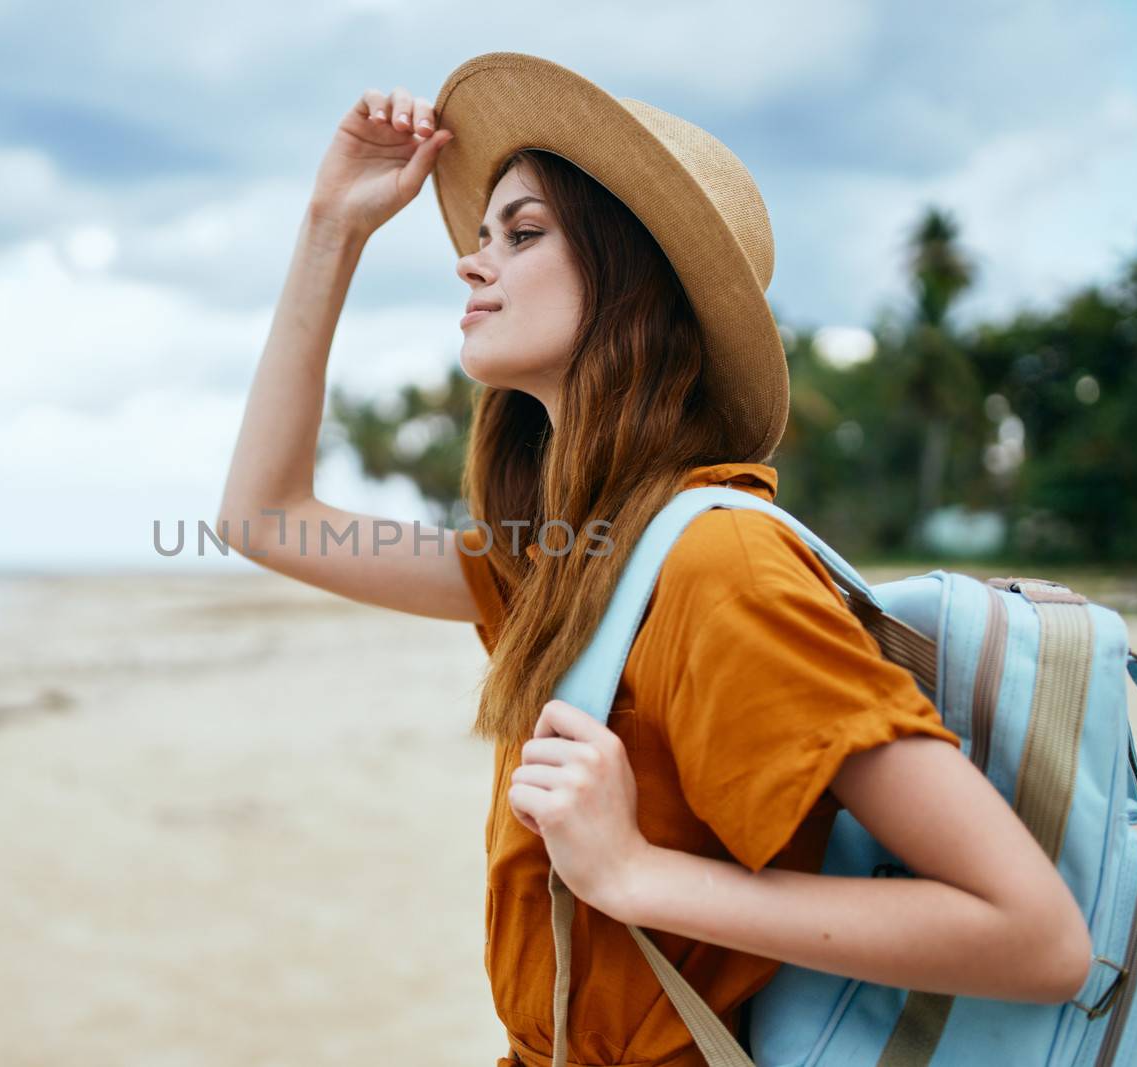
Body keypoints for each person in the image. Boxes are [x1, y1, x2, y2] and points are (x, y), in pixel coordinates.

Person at [217, 53, 1092, 1067]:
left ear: (634, 278)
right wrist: (334, 226)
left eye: (522, 232)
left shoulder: (718, 563)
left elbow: (1034, 935)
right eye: (482, 233)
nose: (471, 259)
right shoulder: (569, 560)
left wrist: (631, 870)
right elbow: (266, 517)